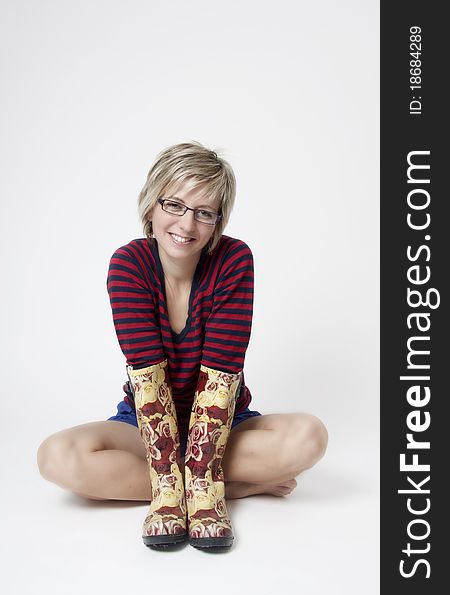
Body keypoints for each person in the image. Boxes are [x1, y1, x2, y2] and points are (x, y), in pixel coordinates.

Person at [37, 141, 328, 551]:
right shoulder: (129, 265)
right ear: (151, 206)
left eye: (204, 213)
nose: (186, 225)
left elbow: (221, 380)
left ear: (217, 222)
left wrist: (207, 468)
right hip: (148, 424)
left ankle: (201, 483)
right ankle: (218, 489)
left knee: (308, 436)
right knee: (57, 456)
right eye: (174, 205)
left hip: (224, 423)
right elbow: (148, 380)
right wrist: (205, 485)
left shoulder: (233, 260)